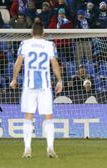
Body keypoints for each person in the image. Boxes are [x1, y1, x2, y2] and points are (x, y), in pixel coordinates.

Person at [9, 22, 63, 158]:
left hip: (29, 85)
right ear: (43, 32)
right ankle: (50, 147)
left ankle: (27, 149)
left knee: (28, 116)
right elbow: (54, 63)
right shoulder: (49, 45)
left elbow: (18, 62)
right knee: (48, 116)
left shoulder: (25, 44)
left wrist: (14, 79)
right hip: (45, 86)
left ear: (31, 32)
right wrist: (59, 80)